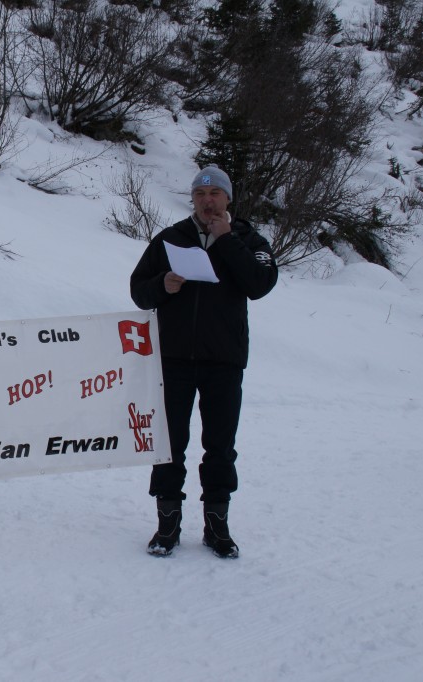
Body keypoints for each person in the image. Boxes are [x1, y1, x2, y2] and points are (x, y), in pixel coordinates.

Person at [129, 165, 277, 558]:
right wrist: (162, 285)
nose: (208, 200)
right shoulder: (170, 238)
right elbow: (138, 292)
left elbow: (260, 285)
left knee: (220, 446)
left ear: (228, 199)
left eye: (215, 194)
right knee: (169, 444)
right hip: (173, 360)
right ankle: (167, 526)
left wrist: (227, 241)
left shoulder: (248, 238)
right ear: (192, 199)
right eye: (200, 194)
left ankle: (217, 527)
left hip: (224, 361)